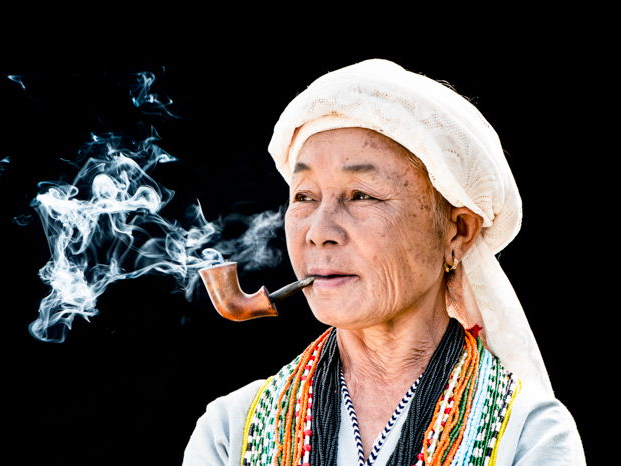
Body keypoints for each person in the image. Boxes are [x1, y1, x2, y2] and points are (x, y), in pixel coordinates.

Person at [183, 59, 585, 465]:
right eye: (304, 196)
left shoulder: (529, 434)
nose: (319, 231)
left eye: (362, 194)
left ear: (458, 232)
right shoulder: (232, 431)